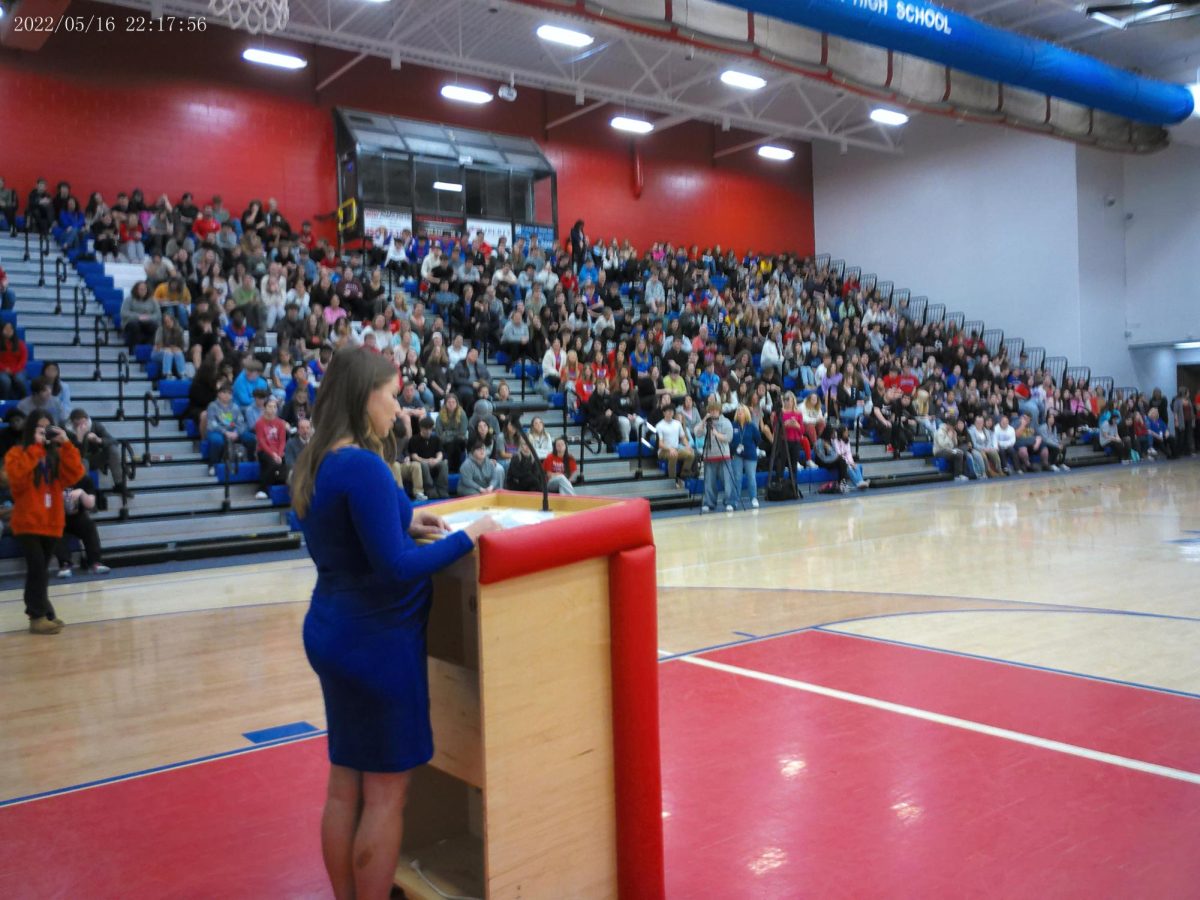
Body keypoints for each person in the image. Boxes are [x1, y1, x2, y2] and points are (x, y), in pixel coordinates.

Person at [290, 348, 499, 899]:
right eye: (393, 394)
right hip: (377, 646)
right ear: (365, 397)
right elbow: (398, 566)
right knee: (385, 797)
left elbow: (354, 522)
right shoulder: (363, 464)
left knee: (344, 787)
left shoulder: (318, 458)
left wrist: (407, 515)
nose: (399, 407)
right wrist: (467, 535)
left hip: (332, 631)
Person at [5, 412, 86, 634]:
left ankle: (45, 612)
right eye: (39, 429)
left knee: (41, 570)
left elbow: (74, 474)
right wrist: (35, 449)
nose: (43, 433)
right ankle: (37, 616)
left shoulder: (55, 454)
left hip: (51, 521)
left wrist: (67, 444)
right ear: (29, 431)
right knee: (37, 569)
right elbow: (17, 481)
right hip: (27, 522)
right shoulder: (17, 453)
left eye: (48, 428)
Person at [68, 409, 131, 503]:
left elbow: (114, 441)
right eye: (79, 425)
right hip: (78, 461)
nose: (82, 427)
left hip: (95, 458)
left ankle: (119, 484)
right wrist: (79, 439)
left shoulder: (95, 426)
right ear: (73, 423)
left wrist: (99, 440)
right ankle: (85, 492)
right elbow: (75, 455)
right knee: (83, 462)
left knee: (113, 449)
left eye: (84, 424)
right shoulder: (67, 432)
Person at [54, 479, 111, 577]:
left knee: (89, 526)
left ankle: (95, 562)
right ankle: (65, 564)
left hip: (77, 517)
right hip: (57, 517)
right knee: (55, 529)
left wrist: (82, 493)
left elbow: (91, 504)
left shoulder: (85, 480)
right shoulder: (53, 478)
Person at [694, 396, 736, 512]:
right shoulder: (707, 422)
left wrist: (717, 434)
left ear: (719, 411)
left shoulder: (726, 422)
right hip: (709, 456)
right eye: (711, 410)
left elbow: (729, 437)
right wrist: (703, 421)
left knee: (728, 481)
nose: (713, 412)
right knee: (709, 482)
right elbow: (697, 433)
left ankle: (730, 502)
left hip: (724, 455)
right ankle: (709, 503)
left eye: (715, 410)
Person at [254, 397, 288, 500]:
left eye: (274, 407)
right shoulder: (259, 423)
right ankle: (262, 489)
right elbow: (262, 441)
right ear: (264, 408)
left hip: (278, 451)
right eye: (269, 406)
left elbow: (282, 440)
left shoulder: (280, 423)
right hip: (263, 451)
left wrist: (280, 453)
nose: (272, 409)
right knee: (272, 463)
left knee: (288, 462)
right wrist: (273, 454)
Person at [655, 404, 694, 489]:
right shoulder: (659, 425)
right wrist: (670, 449)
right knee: (673, 454)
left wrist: (688, 446)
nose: (670, 413)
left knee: (691, 454)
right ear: (664, 413)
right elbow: (660, 444)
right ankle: (672, 481)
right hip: (663, 450)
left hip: (676, 448)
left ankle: (683, 476)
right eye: (668, 411)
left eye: (672, 411)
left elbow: (683, 437)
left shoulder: (677, 423)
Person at [730, 405, 761, 508]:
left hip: (750, 455)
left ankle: (753, 498)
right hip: (737, 454)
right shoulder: (733, 425)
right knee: (737, 478)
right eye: (738, 410)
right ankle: (734, 501)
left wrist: (750, 447)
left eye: (741, 411)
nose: (739, 412)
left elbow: (758, 439)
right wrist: (735, 447)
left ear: (746, 413)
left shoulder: (751, 426)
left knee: (751, 477)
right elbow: (730, 440)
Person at [0, 320, 30, 400]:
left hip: (18, 369)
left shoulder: (20, 343)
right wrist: (4, 369)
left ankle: (25, 399)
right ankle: (4, 401)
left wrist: (15, 370)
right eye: (6, 329)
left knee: (20, 379)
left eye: (11, 329)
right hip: (2, 370)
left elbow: (23, 359)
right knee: (5, 381)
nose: (9, 331)